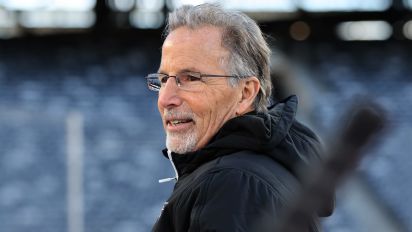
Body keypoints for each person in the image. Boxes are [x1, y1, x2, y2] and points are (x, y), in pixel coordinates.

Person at [145, 3, 332, 231]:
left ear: (245, 93)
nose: (166, 99)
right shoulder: (249, 173)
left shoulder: (232, 183)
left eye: (191, 78)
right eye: (164, 79)